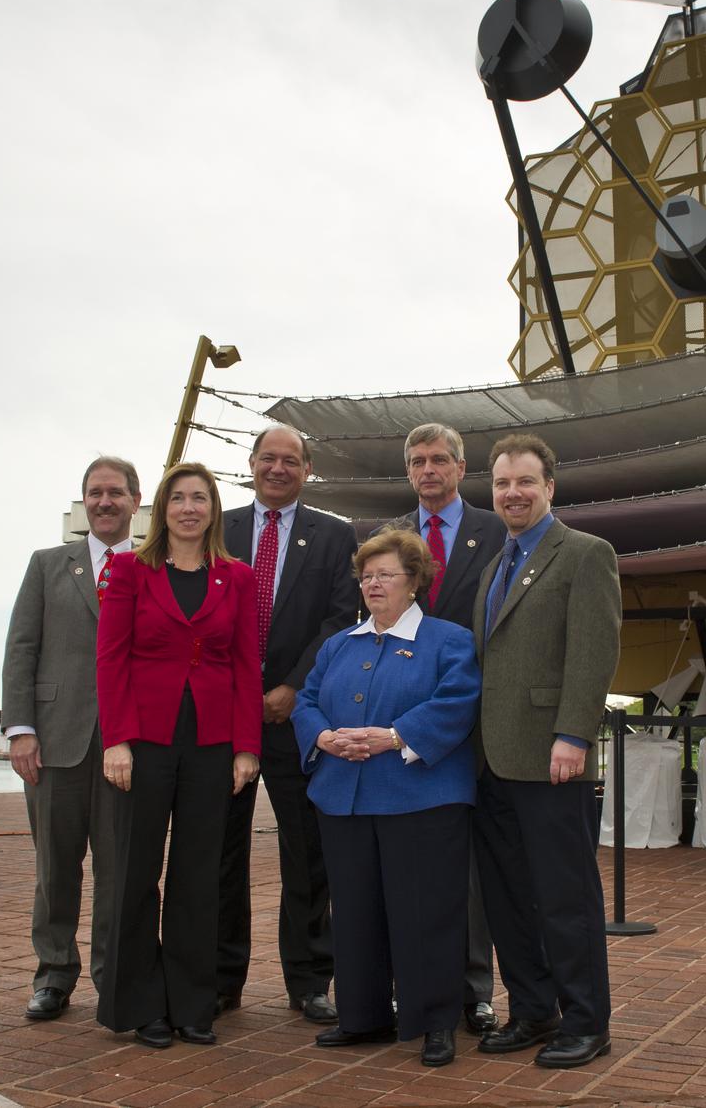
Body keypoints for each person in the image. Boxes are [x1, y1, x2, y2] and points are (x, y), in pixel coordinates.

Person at [293, 529, 480, 1067]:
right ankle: (365, 1016)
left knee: (426, 913)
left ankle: (435, 1022)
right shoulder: (338, 644)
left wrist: (394, 736)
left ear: (415, 581)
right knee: (354, 912)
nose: (373, 584)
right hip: (343, 799)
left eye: (386, 574)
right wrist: (324, 737)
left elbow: (458, 701)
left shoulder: (449, 639)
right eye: (367, 575)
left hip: (422, 798)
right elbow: (308, 700)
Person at [96, 462, 261, 1048]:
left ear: (213, 509)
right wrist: (115, 739)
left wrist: (247, 747)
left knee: (198, 875)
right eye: (179, 498)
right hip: (143, 742)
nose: (189, 507)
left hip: (213, 744)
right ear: (161, 508)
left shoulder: (237, 579)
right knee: (138, 872)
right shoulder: (127, 571)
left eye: (200, 498)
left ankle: (193, 1004)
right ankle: (141, 1006)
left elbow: (245, 664)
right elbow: (110, 659)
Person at [472, 433, 621, 1069]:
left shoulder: (585, 554)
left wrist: (574, 734)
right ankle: (533, 1009)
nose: (513, 493)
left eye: (525, 482)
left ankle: (586, 1020)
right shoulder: (492, 565)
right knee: (508, 897)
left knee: (565, 896)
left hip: (551, 756)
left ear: (550, 487)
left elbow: (593, 652)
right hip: (491, 760)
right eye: (503, 483)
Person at [216, 426, 360, 1022]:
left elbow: (338, 618)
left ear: (307, 470)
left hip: (293, 716)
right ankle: (221, 978)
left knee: (308, 853)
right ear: (251, 464)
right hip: (221, 718)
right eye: (269, 458)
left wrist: (293, 687)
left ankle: (308, 979)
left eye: (291, 461)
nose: (279, 468)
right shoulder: (215, 528)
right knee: (219, 851)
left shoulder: (334, 534)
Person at [2, 456, 141, 1021]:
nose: (104, 502)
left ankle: (114, 979)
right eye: (94, 493)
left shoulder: (152, 569)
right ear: (84, 501)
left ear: (136, 501)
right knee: (55, 869)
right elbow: (20, 650)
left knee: (118, 871)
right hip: (54, 742)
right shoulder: (46, 564)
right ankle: (54, 975)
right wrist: (21, 730)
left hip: (125, 746)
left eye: (115, 493)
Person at [399, 422, 505, 1035]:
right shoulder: (391, 537)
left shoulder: (496, 531)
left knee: (468, 867)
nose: (429, 470)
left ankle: (474, 990)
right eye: (418, 461)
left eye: (440, 460)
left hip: (475, 718)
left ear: (462, 468)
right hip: (405, 721)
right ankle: (409, 985)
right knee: (408, 859)